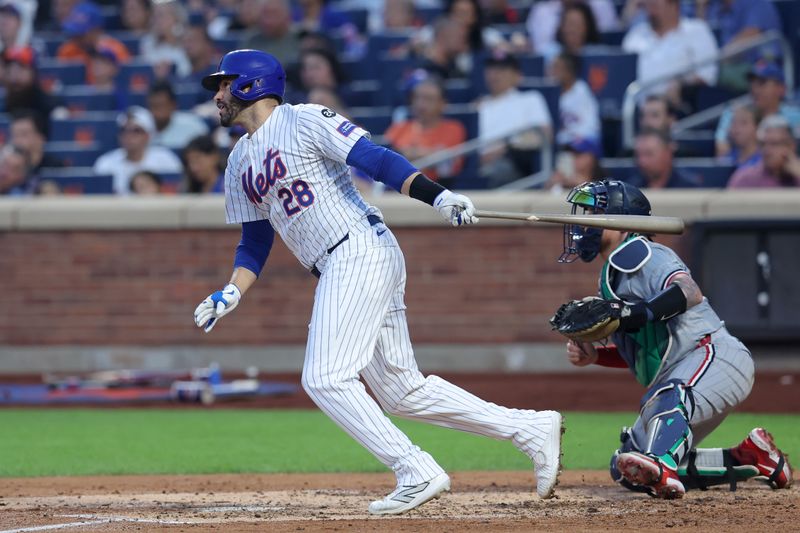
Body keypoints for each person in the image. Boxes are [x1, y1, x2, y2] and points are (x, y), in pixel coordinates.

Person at [192, 49, 563, 514]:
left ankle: (415, 469)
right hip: (344, 263)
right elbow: (255, 238)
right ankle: (530, 429)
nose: (218, 94)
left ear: (251, 84)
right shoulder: (237, 162)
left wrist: (438, 195)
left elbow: (373, 158)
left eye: (224, 84)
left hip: (357, 249)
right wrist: (232, 291)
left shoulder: (302, 120)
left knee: (325, 378)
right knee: (402, 391)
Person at [555, 179, 793, 498]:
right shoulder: (613, 276)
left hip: (713, 356)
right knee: (628, 467)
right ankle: (752, 458)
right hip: (680, 376)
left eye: (592, 212)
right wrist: (596, 356)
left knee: (668, 409)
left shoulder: (645, 254)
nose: (582, 222)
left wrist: (633, 314)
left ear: (618, 219)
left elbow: (689, 291)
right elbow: (645, 349)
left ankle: (663, 462)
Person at [621, 0, 718, 108]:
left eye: (655, 5)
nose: (650, 10)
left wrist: (683, 85)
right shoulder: (635, 35)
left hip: (681, 107)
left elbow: (707, 75)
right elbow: (621, 73)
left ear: (674, 6)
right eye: (647, 5)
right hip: (637, 108)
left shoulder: (697, 30)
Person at [477, 52, 553, 187]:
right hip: (476, 163)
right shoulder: (477, 106)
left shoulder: (530, 99)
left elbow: (544, 135)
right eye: (491, 69)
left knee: (499, 170)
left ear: (517, 75)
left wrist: (503, 149)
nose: (494, 75)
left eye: (501, 70)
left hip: (512, 162)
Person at [384, 76, 467, 185]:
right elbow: (385, 161)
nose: (421, 104)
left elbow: (450, 165)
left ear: (443, 104)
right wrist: (431, 154)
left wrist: (407, 153)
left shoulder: (454, 128)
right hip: (397, 190)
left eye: (428, 99)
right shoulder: (398, 128)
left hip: (438, 190)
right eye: (417, 98)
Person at [715, 62, 800, 159]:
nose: (755, 89)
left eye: (762, 83)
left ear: (781, 88)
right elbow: (722, 152)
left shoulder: (797, 117)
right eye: (752, 83)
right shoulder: (733, 113)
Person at [93, 106, 183, 195]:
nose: (128, 135)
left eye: (136, 131)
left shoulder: (165, 159)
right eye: (124, 130)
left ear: (148, 135)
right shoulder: (105, 163)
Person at [56, 2, 131, 84]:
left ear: (97, 31)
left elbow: (126, 83)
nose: (77, 38)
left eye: (82, 34)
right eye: (75, 33)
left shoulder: (115, 50)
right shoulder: (67, 50)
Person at [728, 114, 800, 188]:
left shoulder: (798, 175)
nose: (766, 150)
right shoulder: (744, 179)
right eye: (763, 144)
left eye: (774, 144)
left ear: (791, 146)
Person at [527, 0, 619, 55]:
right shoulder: (550, 53)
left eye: (577, 25)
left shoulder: (599, 53)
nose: (572, 30)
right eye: (569, 24)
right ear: (561, 27)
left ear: (587, 28)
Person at [549, 52, 600, 146]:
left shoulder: (581, 90)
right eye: (552, 67)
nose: (552, 72)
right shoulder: (548, 92)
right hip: (557, 144)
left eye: (556, 68)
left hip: (578, 141)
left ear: (569, 71)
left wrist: (573, 137)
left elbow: (592, 125)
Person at [146, 80, 209, 150]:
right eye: (153, 106)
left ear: (173, 105)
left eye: (161, 105)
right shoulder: (140, 128)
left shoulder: (194, 127)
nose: (157, 111)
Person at [629, 128, 700, 188]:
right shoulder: (631, 191)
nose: (642, 162)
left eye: (649, 154)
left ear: (668, 153)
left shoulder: (690, 188)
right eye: (638, 155)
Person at [139, 0, 191, 79]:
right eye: (154, 16)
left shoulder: (187, 41)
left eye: (161, 15)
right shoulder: (147, 42)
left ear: (176, 18)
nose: (157, 21)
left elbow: (188, 71)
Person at [239, 0, 301, 66]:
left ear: (288, 17)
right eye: (265, 14)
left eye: (275, 14)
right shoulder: (250, 41)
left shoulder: (300, 40)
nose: (269, 21)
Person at [10, 109, 64, 175]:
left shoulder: (56, 168)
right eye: (14, 135)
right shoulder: (7, 173)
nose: (17, 141)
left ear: (41, 138)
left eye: (23, 134)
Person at [723, 104, 762, 170]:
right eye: (733, 122)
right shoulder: (725, 160)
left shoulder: (764, 161)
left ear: (757, 128)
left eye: (743, 122)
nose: (736, 127)